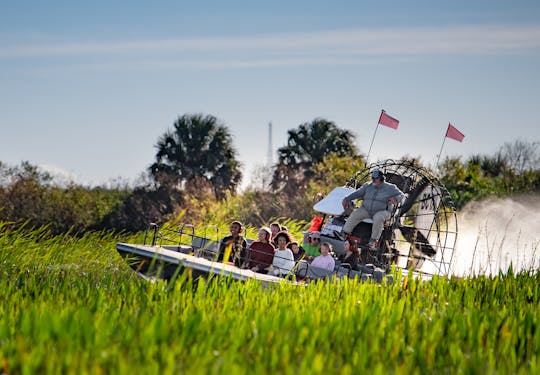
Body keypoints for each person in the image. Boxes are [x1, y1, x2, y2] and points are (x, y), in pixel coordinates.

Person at [338, 170, 405, 249]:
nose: (373, 180)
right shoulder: (367, 185)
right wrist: (347, 199)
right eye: (372, 178)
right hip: (366, 210)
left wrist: (396, 199)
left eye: (375, 179)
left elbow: (402, 196)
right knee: (356, 214)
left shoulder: (390, 187)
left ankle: (373, 240)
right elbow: (357, 193)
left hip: (383, 211)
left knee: (378, 217)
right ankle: (345, 233)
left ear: (381, 179)